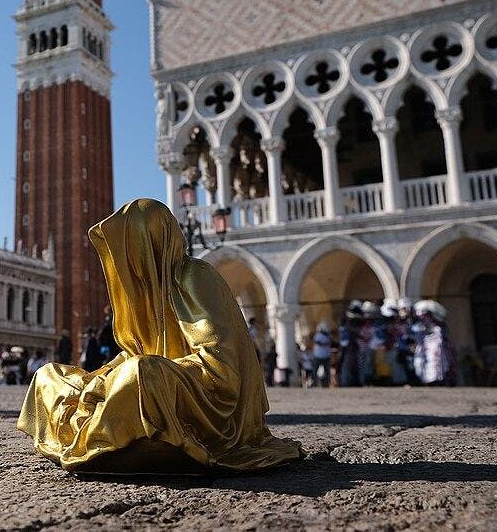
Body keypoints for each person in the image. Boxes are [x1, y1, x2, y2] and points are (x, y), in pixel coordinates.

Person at [18, 199, 302, 473]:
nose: (123, 257)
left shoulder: (194, 275)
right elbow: (134, 352)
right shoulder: (145, 290)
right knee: (48, 376)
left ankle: (101, 439)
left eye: (130, 245)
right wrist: (103, 379)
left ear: (151, 241)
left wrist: (133, 374)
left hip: (207, 396)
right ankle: (106, 436)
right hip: (157, 381)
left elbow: (220, 368)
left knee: (142, 373)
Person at [311, 322, 332, 388]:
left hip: (326, 356)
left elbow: (330, 342)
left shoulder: (329, 336)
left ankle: (325, 384)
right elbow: (317, 342)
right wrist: (324, 344)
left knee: (327, 372)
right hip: (318, 356)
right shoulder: (318, 335)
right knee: (315, 371)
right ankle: (315, 383)